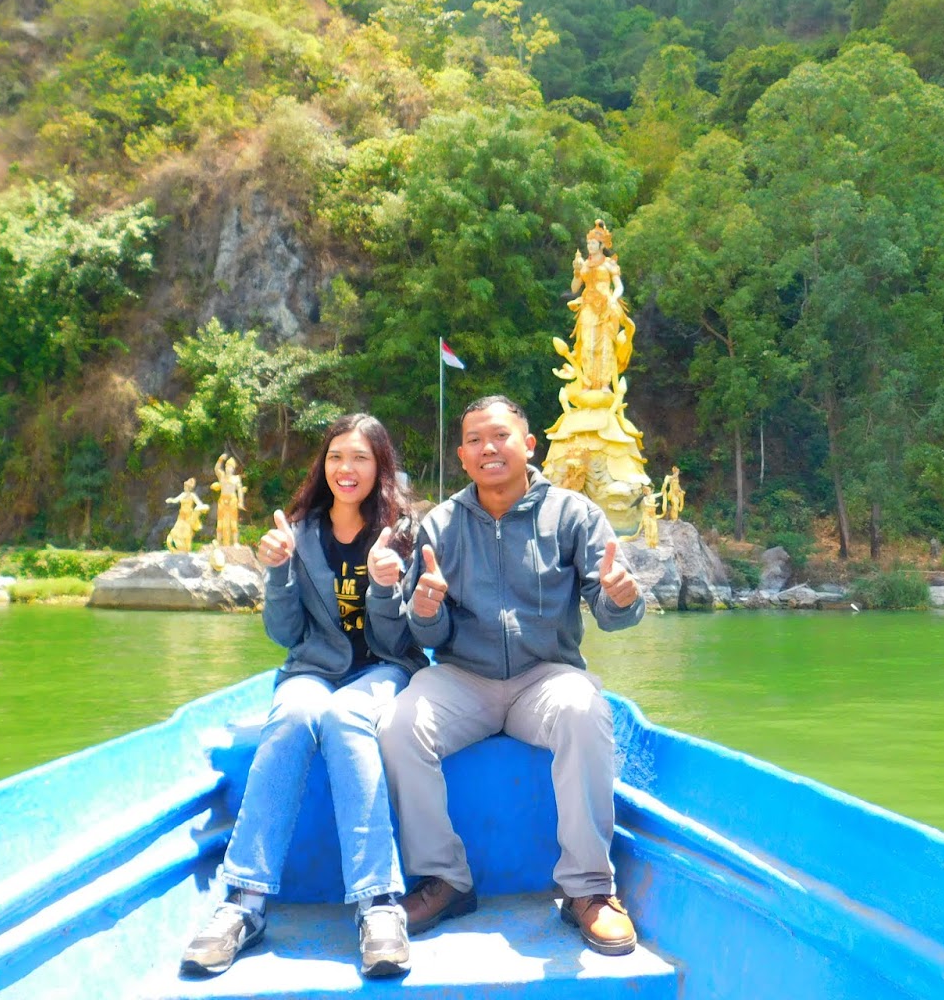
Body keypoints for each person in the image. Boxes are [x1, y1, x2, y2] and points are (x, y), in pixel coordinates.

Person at [370, 396, 645, 955]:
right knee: (399, 726)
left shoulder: (572, 515)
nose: (488, 448)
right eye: (474, 440)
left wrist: (622, 597)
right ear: (462, 456)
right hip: (462, 677)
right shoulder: (441, 524)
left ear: (529, 445)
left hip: (545, 675)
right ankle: (443, 879)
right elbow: (426, 634)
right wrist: (425, 610)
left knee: (584, 710)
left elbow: (613, 611)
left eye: (500, 436)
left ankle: (588, 889)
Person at [181, 414, 426, 979]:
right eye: (337, 456)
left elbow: (401, 641)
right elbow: (286, 634)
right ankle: (244, 902)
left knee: (345, 717)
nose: (347, 468)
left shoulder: (403, 534)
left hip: (383, 669)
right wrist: (278, 572)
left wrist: (385, 587)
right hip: (312, 668)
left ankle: (378, 903)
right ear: (323, 464)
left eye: (360, 457)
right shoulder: (300, 531)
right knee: (292, 715)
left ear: (380, 466)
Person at [566, 220, 635, 393]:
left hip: (606, 307)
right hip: (588, 306)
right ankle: (587, 382)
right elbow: (574, 288)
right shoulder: (584, 265)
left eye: (593, 243)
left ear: (601, 245)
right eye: (588, 243)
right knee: (587, 344)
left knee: (605, 345)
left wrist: (614, 298)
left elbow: (619, 286)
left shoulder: (609, 264)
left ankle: (604, 383)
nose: (590, 246)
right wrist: (576, 272)